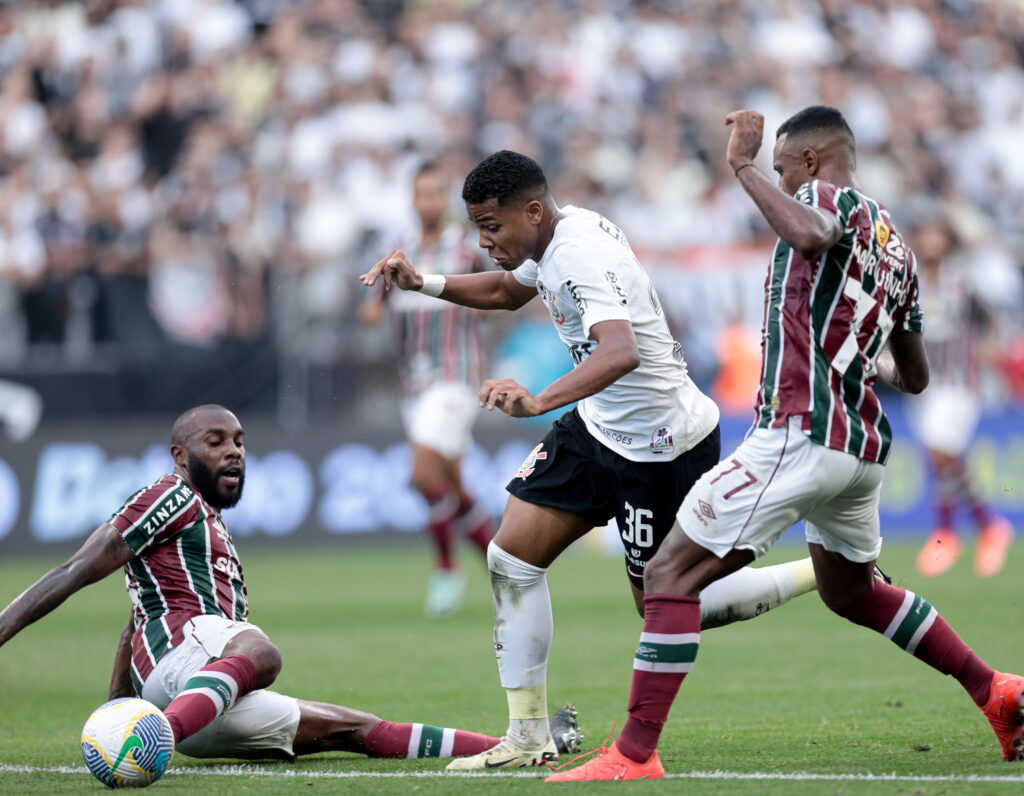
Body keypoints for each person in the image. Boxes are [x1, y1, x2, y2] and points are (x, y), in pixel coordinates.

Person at [545, 106, 1024, 783]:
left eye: (781, 170)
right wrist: (855, 349)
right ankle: (996, 690)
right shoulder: (901, 250)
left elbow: (812, 229)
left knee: (668, 575)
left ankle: (632, 753)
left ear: (810, 161)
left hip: (800, 432)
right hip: (858, 449)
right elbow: (914, 376)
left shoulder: (828, 199)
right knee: (852, 593)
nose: (778, 184)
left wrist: (741, 166)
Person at [360, 150, 820, 771]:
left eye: (491, 226)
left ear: (530, 211)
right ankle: (526, 735)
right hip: (598, 427)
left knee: (666, 601)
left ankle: (820, 571)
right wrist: (427, 284)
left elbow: (621, 351)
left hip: (661, 445)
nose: (485, 241)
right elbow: (501, 291)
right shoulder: (549, 239)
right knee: (511, 556)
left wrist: (539, 401)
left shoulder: (578, 251)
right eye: (477, 228)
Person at [0, 404, 581, 763]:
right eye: (216, 442)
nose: (234, 452)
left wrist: (115, 712)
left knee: (356, 730)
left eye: (240, 442)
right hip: (189, 669)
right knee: (258, 648)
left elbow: (137, 616)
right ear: (180, 456)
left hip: (198, 706)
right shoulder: (169, 495)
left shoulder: (206, 530)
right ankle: (155, 735)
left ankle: (525, 746)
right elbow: (75, 570)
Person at [360, 161, 496, 619]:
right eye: (422, 194)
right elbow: (375, 304)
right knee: (453, 486)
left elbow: (500, 289)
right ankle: (502, 566)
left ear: (447, 201)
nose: (429, 202)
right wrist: (374, 306)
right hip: (414, 383)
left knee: (422, 475)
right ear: (413, 201)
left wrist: (482, 309)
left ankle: (446, 568)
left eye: (437, 193)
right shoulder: (401, 251)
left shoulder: (466, 248)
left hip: (455, 377)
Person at [907, 219, 1012, 578]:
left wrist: (991, 347)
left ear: (947, 242)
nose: (932, 241)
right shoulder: (912, 284)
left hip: (959, 384)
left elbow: (990, 319)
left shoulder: (961, 284)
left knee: (941, 453)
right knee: (942, 461)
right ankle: (987, 527)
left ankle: (947, 534)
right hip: (923, 387)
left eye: (938, 235)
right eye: (926, 234)